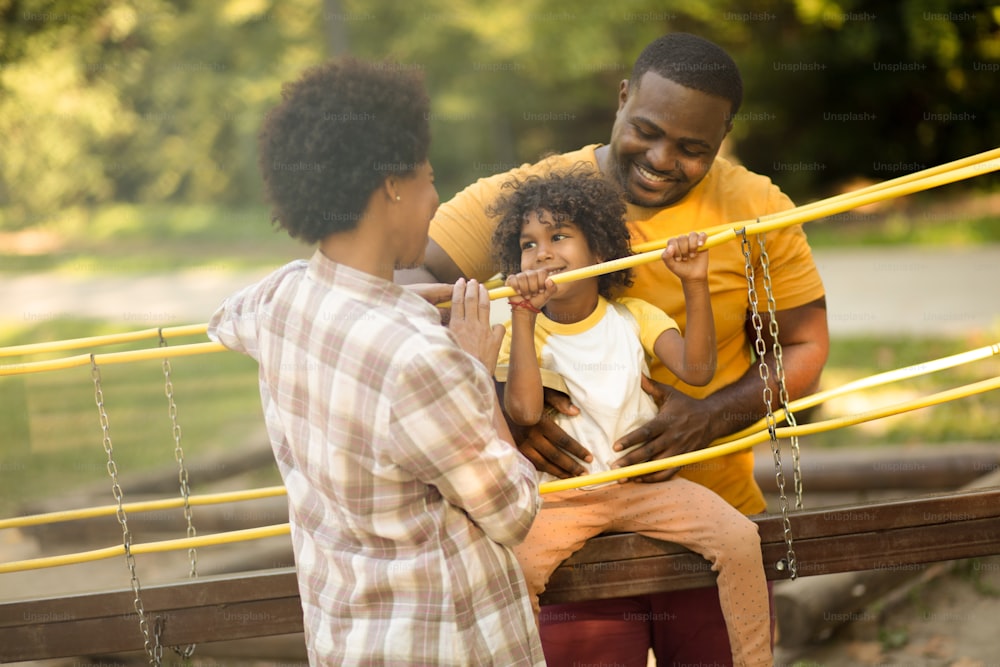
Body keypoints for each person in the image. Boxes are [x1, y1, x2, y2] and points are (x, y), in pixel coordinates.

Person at [397, 32, 829, 666]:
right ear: (623, 98)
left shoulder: (756, 208)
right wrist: (500, 402)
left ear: (724, 136)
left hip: (702, 523)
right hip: (564, 528)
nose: (661, 159)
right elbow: (401, 284)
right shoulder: (531, 198)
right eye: (647, 130)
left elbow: (805, 346)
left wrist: (712, 417)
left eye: (692, 149)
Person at [208, 58, 545, 666]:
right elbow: (515, 510)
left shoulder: (281, 300)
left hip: (346, 638)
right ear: (392, 184)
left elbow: (222, 319)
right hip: (444, 642)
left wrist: (398, 300)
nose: (435, 199)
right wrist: (472, 368)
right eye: (430, 179)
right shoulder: (423, 363)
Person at [494, 170, 772, 666]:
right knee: (512, 572)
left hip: (647, 488)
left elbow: (698, 370)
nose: (541, 252)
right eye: (528, 243)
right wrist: (520, 316)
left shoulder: (633, 316)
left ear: (599, 253)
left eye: (559, 236)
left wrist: (695, 282)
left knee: (740, 540)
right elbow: (525, 411)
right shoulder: (525, 331)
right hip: (567, 499)